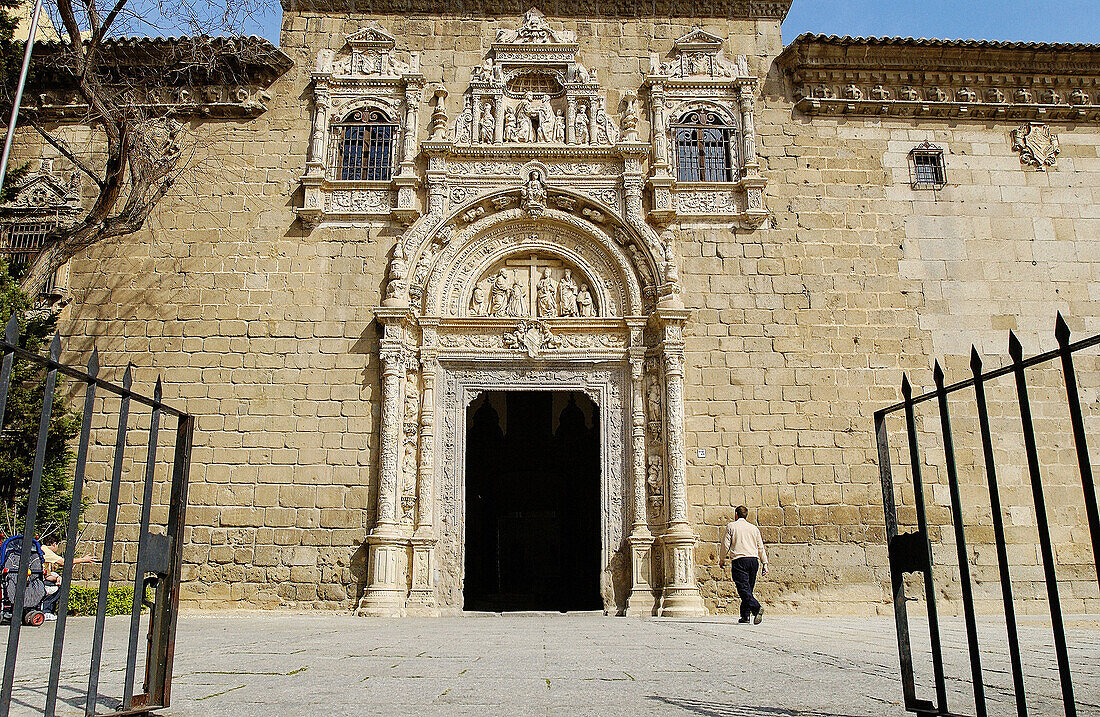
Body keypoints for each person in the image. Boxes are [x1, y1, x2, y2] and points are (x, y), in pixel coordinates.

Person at [718, 505, 768, 624]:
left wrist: (721, 559)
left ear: (736, 514)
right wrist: (765, 563)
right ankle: (745, 616)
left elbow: (726, 545)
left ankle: (756, 608)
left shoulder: (731, 526)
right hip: (753, 561)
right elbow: (760, 546)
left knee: (743, 589)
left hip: (740, 560)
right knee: (748, 588)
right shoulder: (753, 528)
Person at [40, 539, 96, 619]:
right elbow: (63, 562)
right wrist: (83, 559)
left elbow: (47, 576)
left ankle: (48, 611)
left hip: (40, 580)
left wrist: (57, 578)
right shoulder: (45, 551)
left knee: (59, 582)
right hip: (38, 582)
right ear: (54, 544)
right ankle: (46, 611)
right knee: (60, 587)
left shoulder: (41, 550)